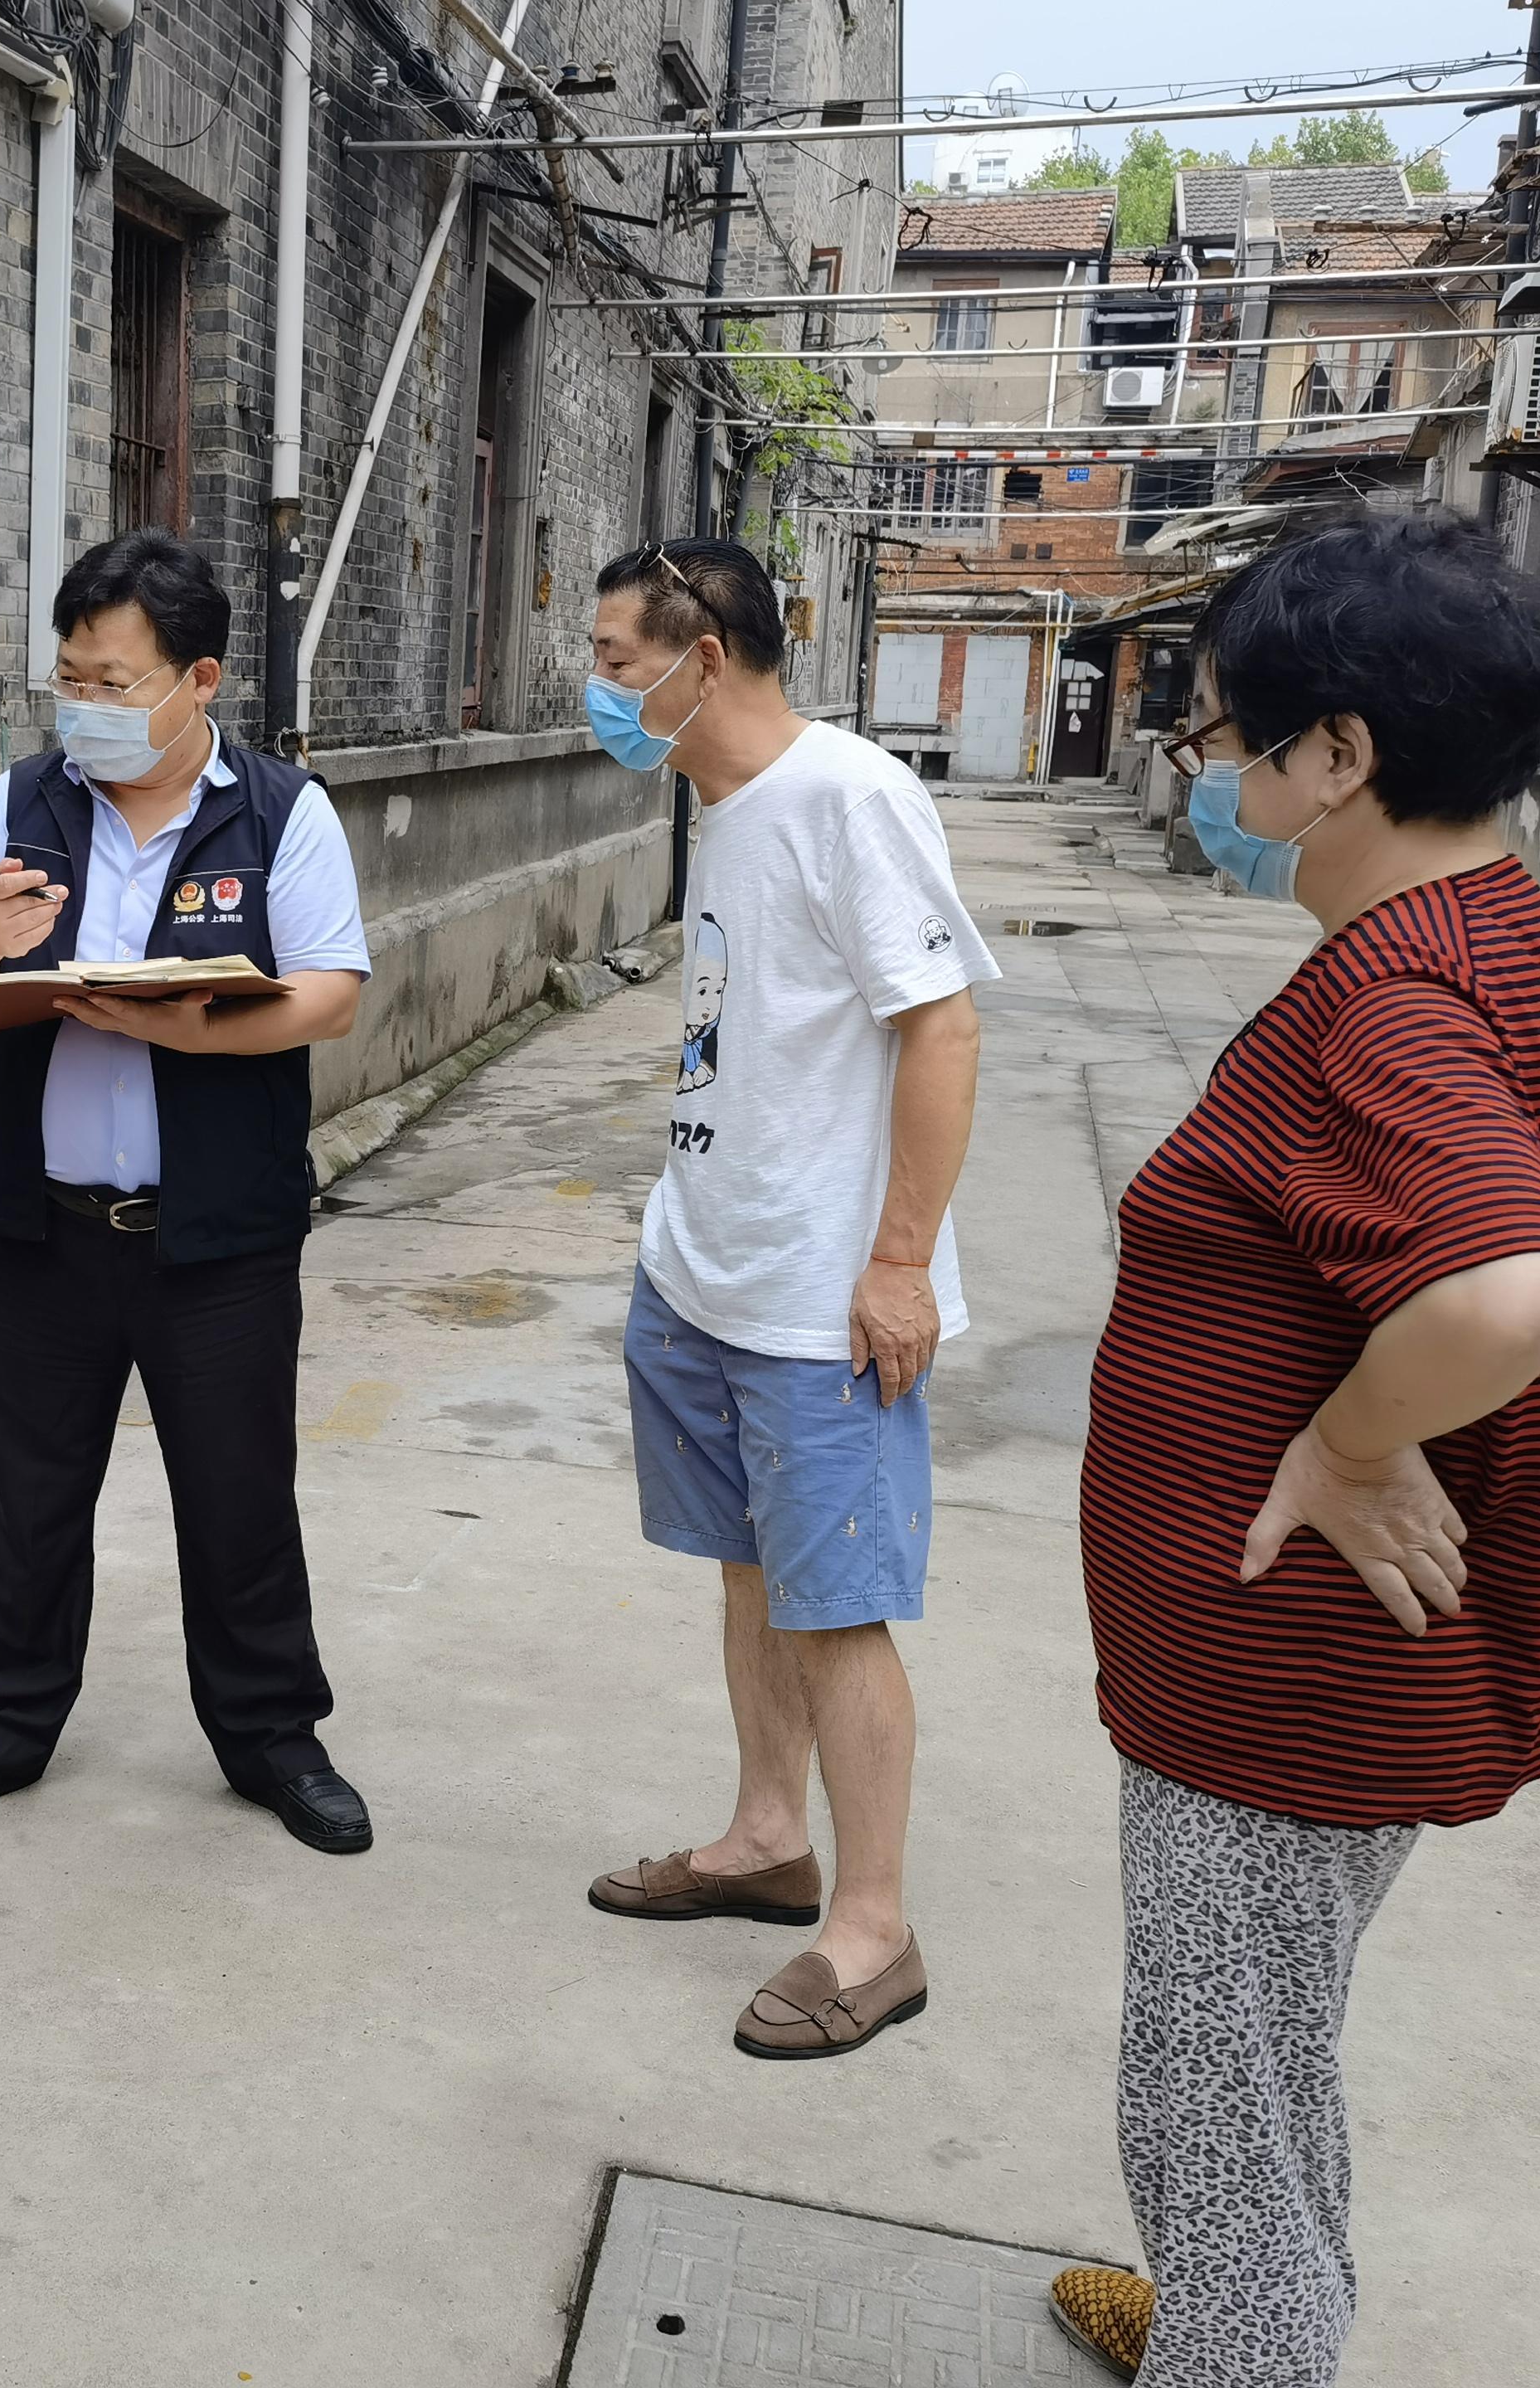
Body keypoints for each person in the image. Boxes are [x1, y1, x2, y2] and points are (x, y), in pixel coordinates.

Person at [1047, 511, 1540, 2385]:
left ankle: (1240, 2343)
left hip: (1280, 1692)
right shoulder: (1487, 929)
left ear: (1336, 754)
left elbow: (1498, 1291)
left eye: (1214, 741)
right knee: (1265, 2081)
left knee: (1208, 2114)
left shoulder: (1395, 992)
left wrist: (1354, 1446)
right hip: (1308, 1691)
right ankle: (1231, 2323)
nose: (1197, 777)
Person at [0, 529, 376, 1851]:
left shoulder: (280, 809)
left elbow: (330, 990)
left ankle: (274, 1737)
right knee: (32, 1498)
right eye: (72, 677)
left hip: (216, 1237)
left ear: (197, 679)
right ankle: (0, 1724)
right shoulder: (25, 800)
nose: (88, 706)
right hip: (47, 1228)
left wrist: (195, 1033)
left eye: (117, 680)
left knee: (239, 1498)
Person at [576, 537, 995, 2061]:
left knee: (839, 1608)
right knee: (749, 1575)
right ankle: (768, 1840)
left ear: (709, 656)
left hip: (824, 1298)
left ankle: (873, 1930)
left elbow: (941, 1032)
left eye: (620, 661)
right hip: (705, 1272)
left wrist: (897, 1262)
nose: (601, 689)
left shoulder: (850, 796)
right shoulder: (723, 808)